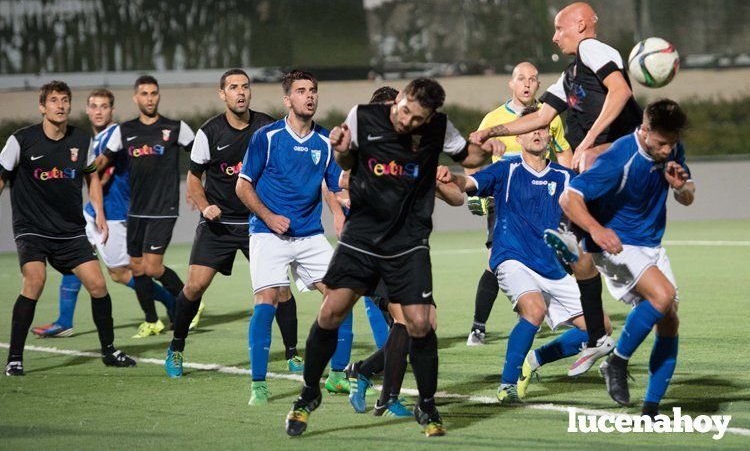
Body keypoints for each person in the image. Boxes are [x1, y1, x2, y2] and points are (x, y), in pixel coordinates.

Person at [284, 78, 500, 438]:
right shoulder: (363, 117)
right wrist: (339, 149)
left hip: (408, 240)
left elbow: (470, 156)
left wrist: (486, 149)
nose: (408, 123)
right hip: (363, 236)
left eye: (418, 120)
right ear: (399, 98)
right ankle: (308, 394)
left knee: (420, 322)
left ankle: (427, 405)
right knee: (331, 311)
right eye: (405, 112)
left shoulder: (439, 127)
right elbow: (345, 162)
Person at [470, 2, 641, 372]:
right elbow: (542, 116)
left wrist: (589, 139)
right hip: (608, 167)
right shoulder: (570, 75)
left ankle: (608, 274)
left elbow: (621, 91)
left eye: (559, 28)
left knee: (573, 212)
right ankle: (597, 335)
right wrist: (491, 130)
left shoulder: (594, 49)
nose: (554, 36)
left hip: (621, 158)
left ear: (580, 24)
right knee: (578, 248)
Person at [438, 109, 611, 403]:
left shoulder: (565, 176)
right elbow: (469, 184)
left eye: (543, 129)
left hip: (552, 266)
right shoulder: (506, 169)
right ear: (518, 136)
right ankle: (507, 384)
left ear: (549, 137)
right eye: (532, 129)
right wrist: (450, 176)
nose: (537, 133)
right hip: (512, 257)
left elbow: (588, 206)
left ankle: (535, 360)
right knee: (533, 309)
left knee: (601, 329)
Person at [560, 99, 694, 417]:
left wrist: (680, 187)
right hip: (616, 244)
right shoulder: (620, 156)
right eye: (661, 143)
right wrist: (595, 230)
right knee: (664, 295)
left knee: (670, 319)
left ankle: (650, 408)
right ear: (644, 130)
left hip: (650, 246)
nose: (667, 150)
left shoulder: (672, 149)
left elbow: (688, 196)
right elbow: (570, 198)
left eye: (671, 143)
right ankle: (616, 362)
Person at [0, 81, 136, 375]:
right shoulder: (21, 140)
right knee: (34, 281)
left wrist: (99, 211)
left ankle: (109, 351)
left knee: (98, 285)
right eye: (53, 101)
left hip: (70, 230)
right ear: (42, 106)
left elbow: (92, 178)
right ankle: (14, 358)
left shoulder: (81, 140)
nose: (60, 105)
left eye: (64, 100)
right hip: (32, 228)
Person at [236, 70, 348, 406]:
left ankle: (338, 376)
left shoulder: (326, 141)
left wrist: (366, 194)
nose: (309, 96)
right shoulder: (266, 137)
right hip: (267, 234)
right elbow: (243, 185)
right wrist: (269, 216)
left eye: (313, 90)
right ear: (288, 100)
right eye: (301, 91)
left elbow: (338, 187)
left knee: (342, 296)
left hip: (310, 235)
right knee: (267, 300)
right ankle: (259, 384)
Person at [164, 69, 282, 377]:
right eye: (233, 87)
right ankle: (176, 347)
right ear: (223, 94)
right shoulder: (209, 132)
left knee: (279, 291)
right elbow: (193, 178)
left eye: (245, 86)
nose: (240, 92)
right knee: (194, 286)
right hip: (219, 225)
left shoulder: (267, 126)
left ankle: (294, 353)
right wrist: (205, 206)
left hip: (256, 224)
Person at [31, 88, 175, 338]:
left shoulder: (116, 134)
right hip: (94, 212)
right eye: (94, 106)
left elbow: (102, 174)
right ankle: (64, 321)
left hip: (113, 214)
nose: (99, 111)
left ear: (112, 110)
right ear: (86, 110)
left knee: (121, 273)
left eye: (104, 106)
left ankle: (173, 303)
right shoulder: (94, 139)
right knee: (74, 261)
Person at [465, 61, 572, 347]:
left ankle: (530, 313)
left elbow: (563, 152)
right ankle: (478, 326)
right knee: (495, 262)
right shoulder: (493, 119)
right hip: (505, 202)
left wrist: (572, 188)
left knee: (547, 254)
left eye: (532, 79)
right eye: (520, 78)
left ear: (538, 85)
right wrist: (473, 193)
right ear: (511, 84)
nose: (526, 83)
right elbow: (471, 157)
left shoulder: (550, 117)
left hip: (543, 199)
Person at [98, 75, 195, 338]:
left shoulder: (175, 127)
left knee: (152, 268)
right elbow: (102, 161)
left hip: (163, 209)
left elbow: (201, 156)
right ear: (136, 97)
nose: (149, 98)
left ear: (159, 96)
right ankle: (152, 320)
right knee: (137, 267)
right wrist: (79, 172)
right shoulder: (124, 130)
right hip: (135, 210)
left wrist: (198, 187)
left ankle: (191, 300)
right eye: (144, 94)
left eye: (153, 93)